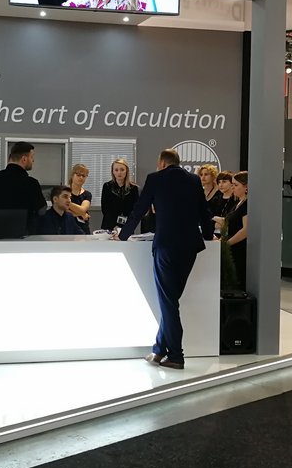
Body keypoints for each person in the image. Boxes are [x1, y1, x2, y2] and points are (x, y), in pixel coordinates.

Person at [116, 148, 213, 370]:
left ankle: (176, 356)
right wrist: (209, 236)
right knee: (170, 300)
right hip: (190, 247)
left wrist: (122, 235)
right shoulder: (193, 180)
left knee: (168, 302)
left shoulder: (155, 179)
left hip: (166, 246)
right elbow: (204, 211)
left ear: (161, 163)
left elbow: (139, 210)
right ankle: (159, 349)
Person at [0, 141, 46, 234]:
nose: (33, 160)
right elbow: (41, 210)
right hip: (23, 233)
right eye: (32, 157)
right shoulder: (31, 183)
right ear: (24, 159)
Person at [224, 171, 249, 291]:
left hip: (240, 249)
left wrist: (226, 244)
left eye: (236, 185)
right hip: (232, 248)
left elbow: (246, 230)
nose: (232, 187)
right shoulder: (238, 203)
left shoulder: (247, 205)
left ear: (246, 187)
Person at [100, 158, 140, 231]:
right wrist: (114, 226)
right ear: (113, 172)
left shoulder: (133, 188)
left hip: (127, 226)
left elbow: (134, 209)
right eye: (116, 170)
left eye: (122, 170)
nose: (119, 172)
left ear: (126, 171)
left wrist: (125, 225)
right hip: (109, 225)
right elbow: (105, 209)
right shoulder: (107, 186)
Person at [67, 163, 92, 234]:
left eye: (83, 176)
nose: (81, 177)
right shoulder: (64, 192)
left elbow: (83, 210)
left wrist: (67, 203)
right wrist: (82, 214)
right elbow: (63, 211)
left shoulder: (87, 194)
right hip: (67, 229)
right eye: (78, 175)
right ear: (72, 175)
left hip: (83, 230)